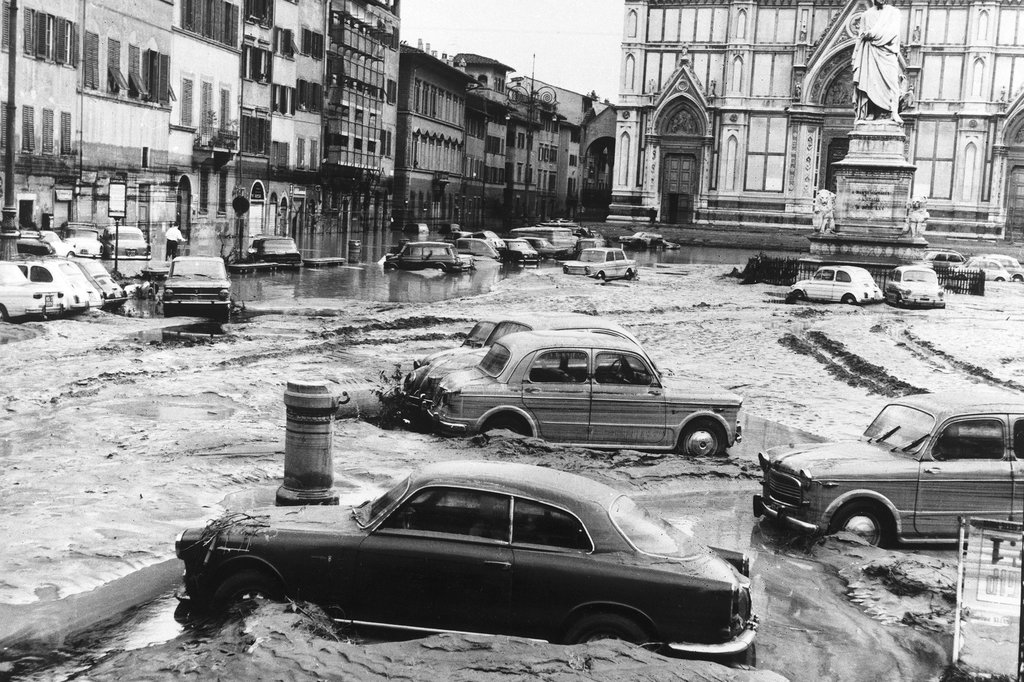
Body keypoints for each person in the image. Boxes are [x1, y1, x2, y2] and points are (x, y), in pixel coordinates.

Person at [852, 0, 903, 123]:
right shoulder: (866, 15)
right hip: (869, 52)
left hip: (887, 51)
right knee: (870, 82)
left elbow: (894, 33)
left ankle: (893, 112)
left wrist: (872, 34)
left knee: (893, 83)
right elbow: (860, 36)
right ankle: (870, 113)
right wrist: (855, 55)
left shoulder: (894, 13)